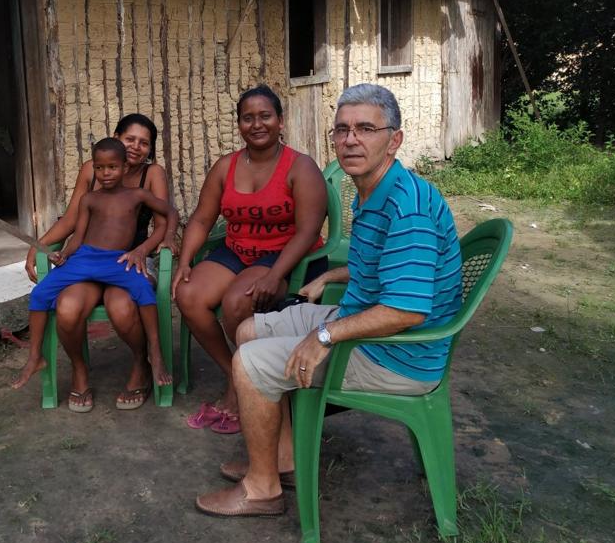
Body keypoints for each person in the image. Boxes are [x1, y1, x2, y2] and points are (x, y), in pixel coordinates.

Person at [194, 83, 463, 517]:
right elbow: (391, 266)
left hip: (397, 355)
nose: (350, 139)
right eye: (341, 130)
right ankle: (281, 461)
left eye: (365, 129)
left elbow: (406, 310)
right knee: (249, 329)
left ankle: (262, 490)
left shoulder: (406, 206)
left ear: (394, 139)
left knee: (250, 362)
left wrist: (323, 335)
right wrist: (335, 275)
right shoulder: (375, 189)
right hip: (367, 322)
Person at [172, 85, 328, 434]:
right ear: (239, 124)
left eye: (265, 116)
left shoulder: (300, 167)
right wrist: (185, 261)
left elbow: (308, 230)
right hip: (238, 249)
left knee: (236, 303)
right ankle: (237, 376)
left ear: (280, 121)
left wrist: (275, 273)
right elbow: (201, 218)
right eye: (247, 118)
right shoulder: (225, 167)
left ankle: (242, 385)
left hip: (285, 253)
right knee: (188, 294)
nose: (256, 124)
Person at [14, 114, 173, 410]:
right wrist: (44, 246)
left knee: (121, 306)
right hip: (89, 259)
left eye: (144, 143)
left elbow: (166, 220)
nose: (136, 147)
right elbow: (75, 220)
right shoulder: (92, 171)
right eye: (130, 140)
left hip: (131, 259)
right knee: (67, 307)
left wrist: (143, 250)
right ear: (115, 138)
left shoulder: (150, 176)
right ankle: (78, 369)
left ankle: (143, 362)